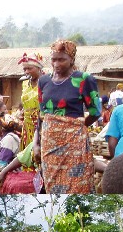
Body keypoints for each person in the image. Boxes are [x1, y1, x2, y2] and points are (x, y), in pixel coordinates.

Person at [34, 39, 101, 193]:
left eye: (62, 59)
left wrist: (77, 126)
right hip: (49, 144)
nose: (57, 64)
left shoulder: (83, 79)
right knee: (52, 184)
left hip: (74, 143)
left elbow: (95, 111)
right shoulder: (44, 81)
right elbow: (42, 114)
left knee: (77, 183)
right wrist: (36, 143)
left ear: (72, 60)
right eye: (53, 59)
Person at [17, 52, 44, 150]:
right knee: (27, 152)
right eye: (24, 69)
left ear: (39, 68)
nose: (26, 72)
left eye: (29, 68)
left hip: (40, 122)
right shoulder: (25, 83)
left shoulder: (46, 83)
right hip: (27, 124)